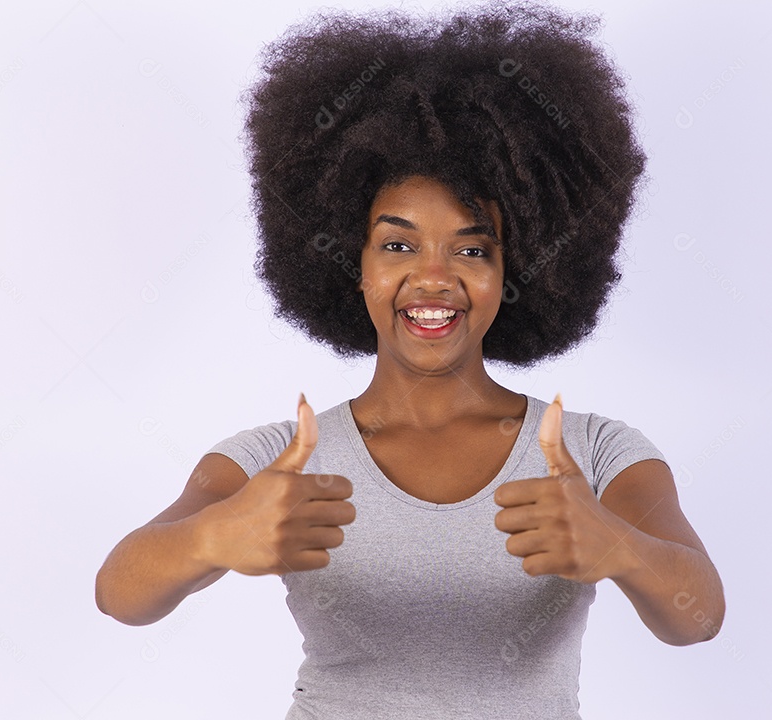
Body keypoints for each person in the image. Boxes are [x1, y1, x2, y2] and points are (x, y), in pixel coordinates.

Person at [95, 2, 725, 717]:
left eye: (472, 248)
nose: (433, 277)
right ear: (349, 262)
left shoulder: (596, 453)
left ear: (519, 269)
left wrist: (618, 546)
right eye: (398, 245)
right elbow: (119, 593)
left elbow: (698, 615)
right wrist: (215, 535)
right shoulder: (280, 460)